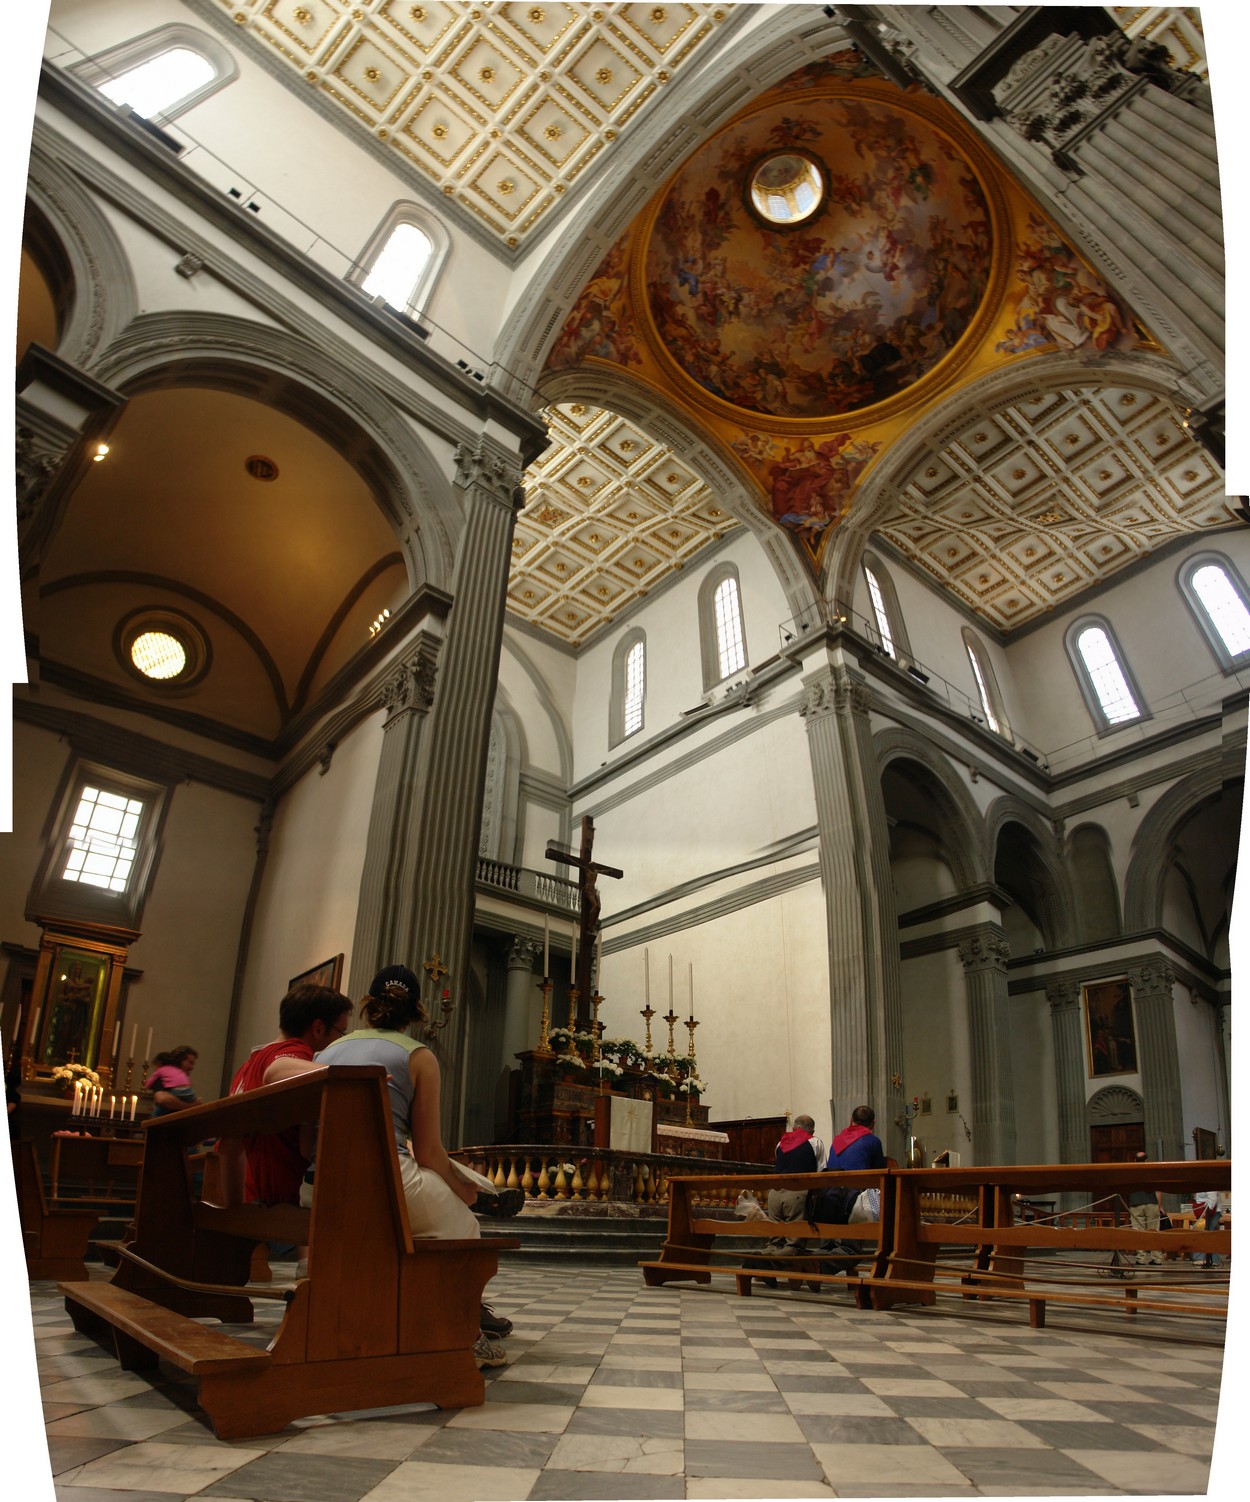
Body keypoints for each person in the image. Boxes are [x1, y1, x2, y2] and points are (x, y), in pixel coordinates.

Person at [303, 965, 510, 1366]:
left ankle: (375, 1320)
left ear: (367, 1005)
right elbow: (430, 1151)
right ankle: (461, 1334)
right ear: (416, 1010)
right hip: (385, 1178)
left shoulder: (325, 1053)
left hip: (320, 1180)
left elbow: (307, 1139)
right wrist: (461, 1190)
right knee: (464, 1227)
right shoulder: (418, 1056)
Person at [214, 982, 354, 1210]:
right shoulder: (295, 1053)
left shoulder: (248, 1065)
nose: (340, 1040)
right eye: (341, 1032)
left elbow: (229, 1149)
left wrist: (235, 1211)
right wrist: (355, 1077)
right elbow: (278, 1070)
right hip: (290, 1205)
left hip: (260, 1203)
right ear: (318, 1028)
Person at [1126, 1150, 1165, 1267]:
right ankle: (1157, 1258)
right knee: (1154, 1231)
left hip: (1136, 1204)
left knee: (1138, 1233)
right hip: (1151, 1203)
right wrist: (1160, 1205)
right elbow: (1158, 1189)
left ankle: (1141, 1258)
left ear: (1134, 1161)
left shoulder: (1130, 1173)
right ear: (1147, 1160)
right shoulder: (1152, 1171)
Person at [829, 1105, 887, 1171]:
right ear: (873, 1124)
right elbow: (880, 1170)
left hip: (833, 1180)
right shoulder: (873, 1141)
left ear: (851, 1120)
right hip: (859, 1180)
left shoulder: (836, 1140)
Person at [145, 1046, 200, 1115]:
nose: (192, 1067)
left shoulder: (180, 1078)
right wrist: (190, 1106)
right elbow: (162, 1099)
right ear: (180, 1061)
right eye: (190, 1063)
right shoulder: (163, 1077)